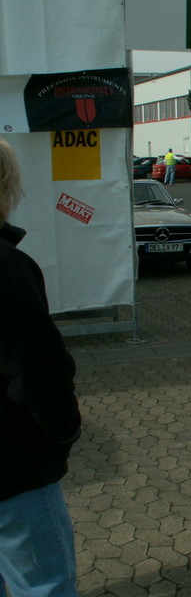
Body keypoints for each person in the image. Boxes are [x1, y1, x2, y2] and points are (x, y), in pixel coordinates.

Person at [0, 137, 82, 597]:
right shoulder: (8, 267)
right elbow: (39, 373)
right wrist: (65, 429)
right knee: (45, 584)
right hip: (13, 471)